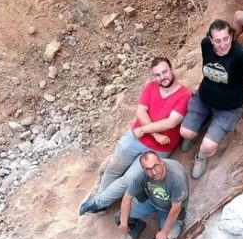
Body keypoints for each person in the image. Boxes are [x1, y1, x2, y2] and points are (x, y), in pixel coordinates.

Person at [79, 57, 191, 215]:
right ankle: (102, 203)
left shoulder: (184, 94)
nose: (162, 77)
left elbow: (171, 122)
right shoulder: (151, 86)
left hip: (158, 148)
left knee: (129, 179)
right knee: (113, 168)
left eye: (165, 72)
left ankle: (97, 203)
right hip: (137, 136)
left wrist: (145, 130)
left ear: (171, 69)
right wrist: (154, 133)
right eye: (157, 74)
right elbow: (140, 111)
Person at [180, 19, 243, 180]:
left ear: (231, 36)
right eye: (217, 41)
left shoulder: (242, 56)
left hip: (229, 108)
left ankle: (201, 157)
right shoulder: (205, 45)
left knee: (208, 146)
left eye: (226, 39)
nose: (223, 44)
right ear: (211, 40)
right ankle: (198, 128)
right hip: (204, 97)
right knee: (185, 133)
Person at [116, 151, 188, 239]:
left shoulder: (176, 178)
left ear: (161, 161)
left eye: (156, 166)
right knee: (120, 217)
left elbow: (176, 208)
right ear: (144, 170)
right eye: (148, 169)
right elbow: (127, 198)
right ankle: (137, 227)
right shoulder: (143, 176)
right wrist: (124, 223)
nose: (153, 173)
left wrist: (164, 232)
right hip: (151, 201)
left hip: (170, 209)